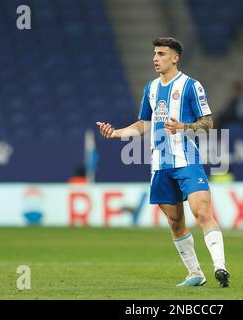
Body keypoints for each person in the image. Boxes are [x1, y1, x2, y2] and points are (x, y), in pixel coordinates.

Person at [96, 37, 230, 288]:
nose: (154, 58)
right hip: (160, 165)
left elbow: (208, 122)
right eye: (154, 53)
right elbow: (144, 124)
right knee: (175, 222)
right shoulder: (151, 88)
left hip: (187, 160)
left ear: (175, 58)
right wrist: (116, 134)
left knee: (202, 212)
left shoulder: (191, 86)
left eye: (160, 53)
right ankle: (195, 274)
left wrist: (185, 126)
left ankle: (220, 267)